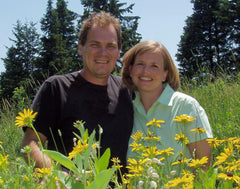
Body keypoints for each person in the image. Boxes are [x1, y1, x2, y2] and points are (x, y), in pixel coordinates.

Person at [22, 11, 133, 172]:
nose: (103, 52)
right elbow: (31, 142)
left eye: (111, 46)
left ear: (118, 52)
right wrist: (55, 176)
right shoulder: (56, 87)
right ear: (81, 48)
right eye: (95, 45)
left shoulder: (128, 90)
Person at [122, 40, 213, 169]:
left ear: (165, 74)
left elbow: (204, 161)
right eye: (140, 64)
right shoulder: (127, 108)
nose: (146, 71)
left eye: (154, 66)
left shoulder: (185, 106)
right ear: (131, 70)